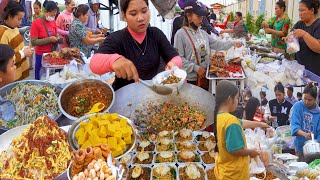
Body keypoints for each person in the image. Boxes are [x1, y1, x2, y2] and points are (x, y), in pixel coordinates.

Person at [89, 0, 182, 90]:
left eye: (144, 11)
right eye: (133, 14)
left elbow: (175, 57)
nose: (141, 18)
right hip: (124, 96)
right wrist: (114, 60)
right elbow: (94, 63)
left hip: (152, 93)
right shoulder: (117, 38)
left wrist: (173, 65)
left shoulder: (156, 34)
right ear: (124, 16)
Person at [174, 0, 240, 85]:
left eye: (202, 17)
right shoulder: (180, 34)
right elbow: (179, 59)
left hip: (205, 76)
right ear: (188, 16)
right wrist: (196, 68)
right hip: (190, 81)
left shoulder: (203, 33)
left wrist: (233, 42)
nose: (201, 19)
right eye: (198, 16)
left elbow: (218, 44)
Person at [213, 80, 269, 179]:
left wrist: (260, 124)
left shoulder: (219, 116)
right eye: (237, 98)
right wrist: (251, 152)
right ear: (230, 99)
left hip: (223, 169)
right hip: (234, 174)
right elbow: (235, 150)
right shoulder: (230, 121)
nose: (237, 101)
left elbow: (241, 123)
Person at [0, 1, 33, 81]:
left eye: (21, 19)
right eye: (18, 19)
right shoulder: (2, 33)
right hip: (12, 76)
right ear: (10, 16)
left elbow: (17, 46)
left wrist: (25, 49)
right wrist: (23, 53)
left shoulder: (14, 28)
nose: (20, 22)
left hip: (20, 70)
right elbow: (4, 60)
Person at [287, 0, 320, 76]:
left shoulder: (318, 25)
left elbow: (318, 48)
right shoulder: (299, 24)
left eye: (303, 10)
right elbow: (291, 35)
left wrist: (304, 34)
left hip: (314, 72)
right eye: (299, 10)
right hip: (299, 69)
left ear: (312, 10)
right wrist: (289, 39)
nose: (300, 13)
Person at [30, 1, 60, 80]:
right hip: (40, 54)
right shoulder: (36, 23)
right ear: (45, 11)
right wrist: (49, 39)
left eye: (55, 14)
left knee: (49, 75)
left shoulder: (53, 21)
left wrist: (57, 37)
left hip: (52, 53)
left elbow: (55, 32)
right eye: (51, 14)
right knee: (39, 75)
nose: (53, 16)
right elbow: (33, 42)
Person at [290, 82, 320, 162]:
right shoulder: (297, 107)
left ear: (315, 99)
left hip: (316, 151)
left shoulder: (319, 112)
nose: (306, 102)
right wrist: (305, 134)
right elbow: (295, 126)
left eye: (310, 100)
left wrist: (315, 142)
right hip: (300, 149)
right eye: (305, 98)